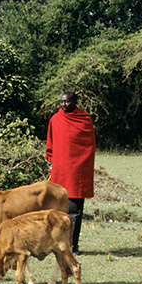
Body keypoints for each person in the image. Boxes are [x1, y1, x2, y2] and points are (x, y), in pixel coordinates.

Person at [46, 91, 95, 254]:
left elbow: (88, 147)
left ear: (75, 102)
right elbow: (51, 143)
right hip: (60, 170)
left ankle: (73, 245)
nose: (63, 105)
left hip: (77, 172)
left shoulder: (85, 119)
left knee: (75, 210)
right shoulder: (55, 119)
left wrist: (81, 165)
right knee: (58, 210)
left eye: (66, 102)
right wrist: (52, 161)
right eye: (61, 102)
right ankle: (57, 244)